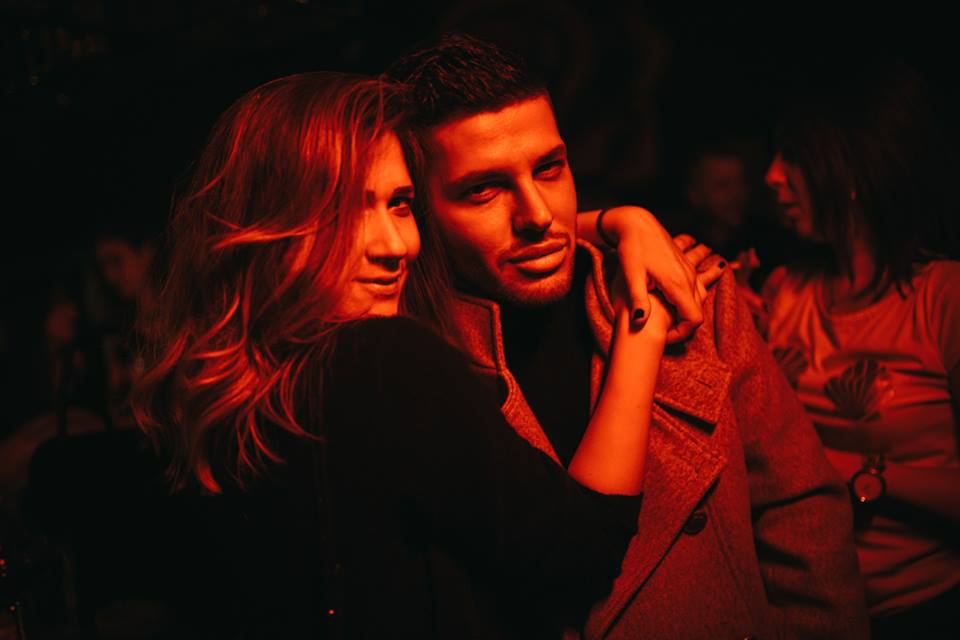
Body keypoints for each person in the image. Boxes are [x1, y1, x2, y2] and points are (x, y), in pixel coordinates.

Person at [131, 71, 707, 639]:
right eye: (347, 211)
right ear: (274, 224)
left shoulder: (220, 393)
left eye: (400, 204)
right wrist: (642, 325)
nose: (394, 246)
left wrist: (614, 223)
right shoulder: (383, 363)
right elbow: (580, 555)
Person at [387, 33, 869, 639]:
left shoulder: (692, 291)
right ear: (418, 211)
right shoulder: (410, 369)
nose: (538, 214)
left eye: (549, 169)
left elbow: (800, 508)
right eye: (483, 190)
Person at [762, 59, 960, 638]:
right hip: (805, 610)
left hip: (921, 609)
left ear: (850, 168)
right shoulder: (784, 290)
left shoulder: (942, 298)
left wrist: (864, 476)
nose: (771, 176)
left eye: (794, 156)